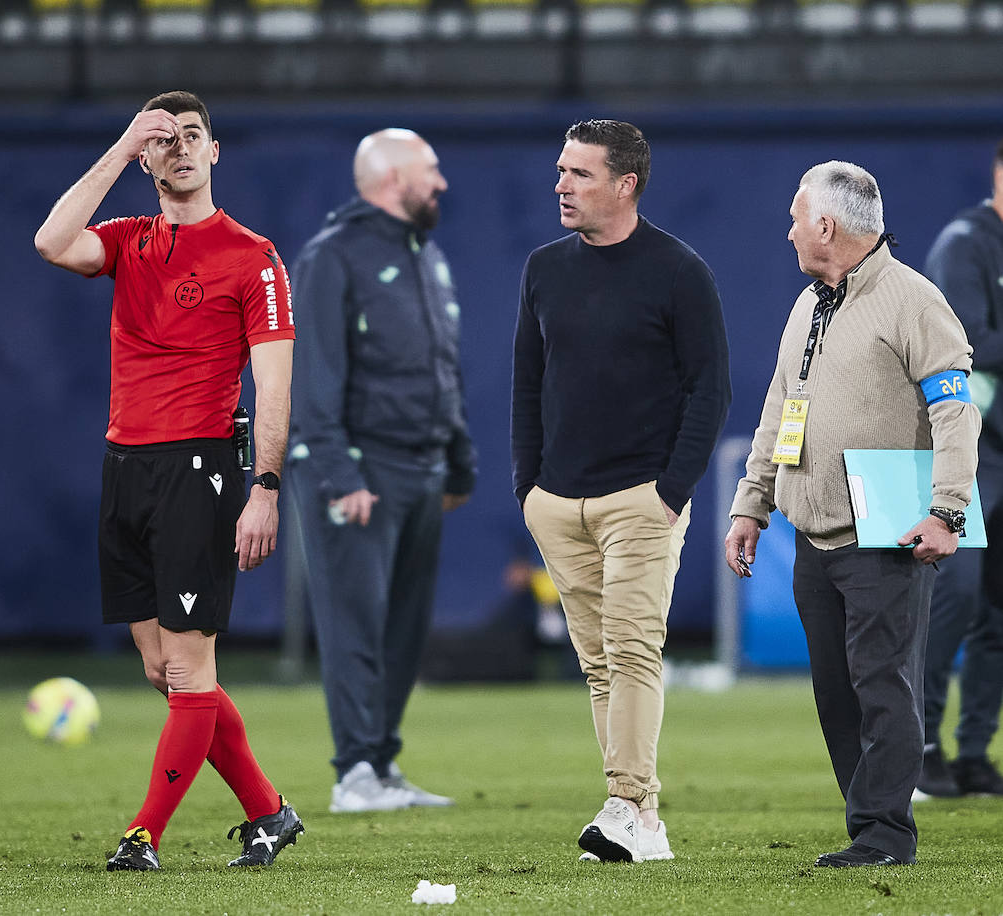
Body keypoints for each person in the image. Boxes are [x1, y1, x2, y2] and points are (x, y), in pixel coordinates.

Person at [34, 90, 303, 872]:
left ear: (215, 152)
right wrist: (120, 147)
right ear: (147, 158)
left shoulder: (253, 255)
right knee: (163, 670)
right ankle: (268, 812)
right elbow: (51, 241)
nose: (179, 147)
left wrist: (267, 484)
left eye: (193, 135)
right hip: (126, 468)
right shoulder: (127, 239)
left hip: (199, 470)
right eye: (164, 140)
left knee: (188, 669)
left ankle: (143, 833)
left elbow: (275, 385)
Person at [726, 161, 980, 868]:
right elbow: (780, 408)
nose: (789, 230)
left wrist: (947, 511)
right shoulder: (810, 303)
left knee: (882, 685)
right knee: (838, 695)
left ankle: (884, 835)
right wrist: (752, 503)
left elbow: (957, 410)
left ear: (827, 226)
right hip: (813, 536)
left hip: (885, 534)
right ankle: (868, 824)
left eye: (796, 217)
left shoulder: (913, 300)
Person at [511, 119, 731, 863]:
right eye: (561, 170)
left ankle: (625, 802)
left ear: (625, 183)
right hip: (557, 502)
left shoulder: (678, 270)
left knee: (633, 650)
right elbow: (526, 384)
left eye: (578, 173)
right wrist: (528, 489)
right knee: (600, 662)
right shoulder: (544, 268)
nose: (561, 185)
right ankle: (646, 823)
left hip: (642, 497)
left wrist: (672, 491)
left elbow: (712, 389)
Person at [286, 128, 475, 813]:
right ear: (393, 178)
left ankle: (382, 765)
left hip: (421, 469)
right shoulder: (332, 257)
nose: (442, 183)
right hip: (360, 471)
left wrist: (457, 457)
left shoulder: (425, 256)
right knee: (355, 624)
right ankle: (354, 774)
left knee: (402, 628)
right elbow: (313, 378)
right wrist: (339, 473)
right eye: (431, 169)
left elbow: (440, 368)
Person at [915, 140, 1003, 799]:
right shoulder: (965, 244)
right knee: (958, 593)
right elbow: (965, 343)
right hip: (970, 450)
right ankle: (918, 743)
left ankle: (974, 753)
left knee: (998, 610)